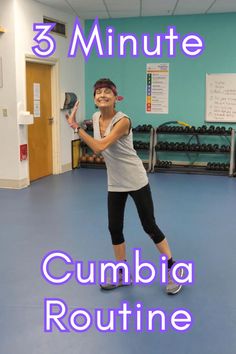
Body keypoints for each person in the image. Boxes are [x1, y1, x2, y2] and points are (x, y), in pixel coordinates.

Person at [66, 78, 183, 295]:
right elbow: (98, 147)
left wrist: (75, 128)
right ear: (94, 99)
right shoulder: (94, 117)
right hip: (115, 182)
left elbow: (100, 147)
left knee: (150, 226)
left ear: (115, 97)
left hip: (136, 180)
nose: (102, 95)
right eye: (98, 92)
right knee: (114, 228)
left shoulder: (123, 121)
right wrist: (81, 129)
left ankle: (172, 270)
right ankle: (122, 274)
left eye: (106, 92)